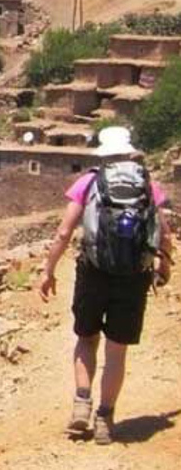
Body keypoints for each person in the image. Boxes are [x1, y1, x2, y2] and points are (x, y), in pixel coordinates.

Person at [39, 126, 173, 445]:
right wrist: (164, 266)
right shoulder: (148, 186)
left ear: (102, 154)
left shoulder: (88, 182)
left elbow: (63, 232)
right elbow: (164, 234)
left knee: (86, 339)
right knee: (117, 351)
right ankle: (105, 420)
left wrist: (48, 270)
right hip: (133, 277)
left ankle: (81, 406)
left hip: (93, 271)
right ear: (129, 152)